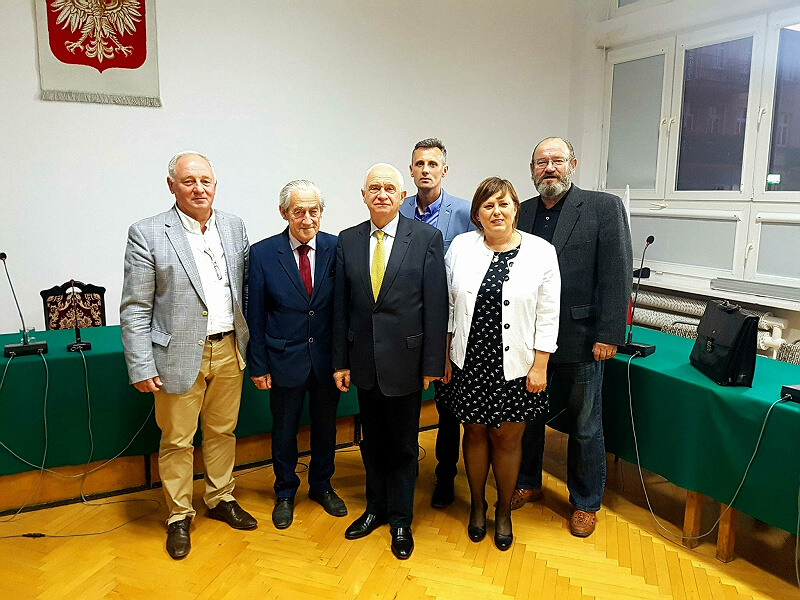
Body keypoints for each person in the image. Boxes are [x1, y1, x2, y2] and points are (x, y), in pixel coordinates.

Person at [120, 151, 257, 560]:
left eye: (205, 181)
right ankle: (179, 515)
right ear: (172, 186)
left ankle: (220, 497)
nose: (199, 188)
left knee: (222, 432)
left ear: (215, 184)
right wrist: (141, 365)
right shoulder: (147, 232)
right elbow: (135, 308)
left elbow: (246, 288)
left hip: (229, 348)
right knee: (178, 440)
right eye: (188, 181)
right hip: (176, 356)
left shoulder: (233, 226)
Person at [511, 137, 633, 538]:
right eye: (541, 162)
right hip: (529, 342)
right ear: (532, 170)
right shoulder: (522, 211)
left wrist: (609, 334)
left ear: (573, 165)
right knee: (528, 419)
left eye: (557, 160)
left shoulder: (602, 207)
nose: (549, 168)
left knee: (585, 427)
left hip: (581, 339)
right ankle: (527, 481)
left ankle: (585, 503)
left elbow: (616, 273)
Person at [333, 163, 448, 560]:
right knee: (371, 444)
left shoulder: (427, 238)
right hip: (364, 363)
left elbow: (436, 305)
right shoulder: (347, 240)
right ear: (363, 195)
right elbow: (341, 307)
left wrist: (432, 363)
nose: (381, 194)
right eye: (374, 188)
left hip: (408, 363)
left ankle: (401, 519)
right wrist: (341, 361)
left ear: (402, 196)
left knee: (402, 446)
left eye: (389, 188)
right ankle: (375, 509)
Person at [440, 177, 560, 551]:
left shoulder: (541, 252)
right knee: (474, 433)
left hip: (518, 365)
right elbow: (448, 306)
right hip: (469, 360)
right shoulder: (461, 247)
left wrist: (540, 365)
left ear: (515, 210)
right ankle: (477, 506)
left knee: (508, 439)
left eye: (504, 204)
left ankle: (503, 511)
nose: (497, 211)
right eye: (488, 205)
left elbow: (549, 313)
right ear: (477, 213)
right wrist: (444, 355)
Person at [247, 180, 346, 530]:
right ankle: (285, 491)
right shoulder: (262, 254)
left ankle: (322, 485)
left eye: (313, 211)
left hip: (327, 363)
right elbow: (255, 315)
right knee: (284, 431)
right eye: (298, 211)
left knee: (325, 428)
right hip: (283, 360)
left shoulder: (337, 248)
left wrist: (343, 360)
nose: (307, 219)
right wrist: (258, 364)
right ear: (284, 213)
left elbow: (343, 310)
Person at [399, 137, 475, 509]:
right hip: (405, 324)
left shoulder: (465, 212)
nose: (426, 170)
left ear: (444, 170)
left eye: (433, 164)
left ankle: (445, 476)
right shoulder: (399, 208)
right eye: (419, 164)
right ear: (411, 171)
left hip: (448, 325)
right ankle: (403, 469)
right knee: (403, 403)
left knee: (447, 407)